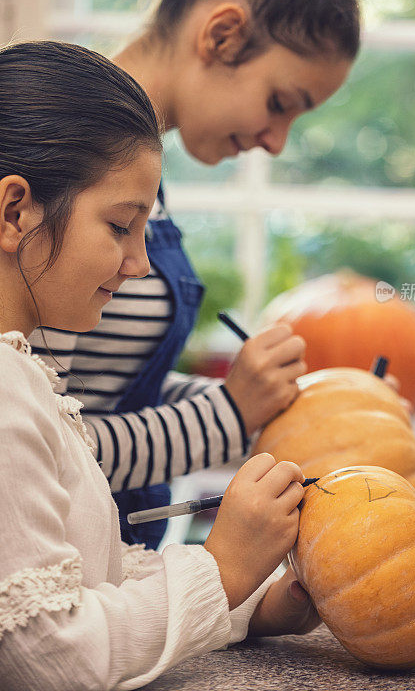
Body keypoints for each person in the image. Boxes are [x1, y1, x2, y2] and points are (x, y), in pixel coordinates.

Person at [30, 0, 406, 549]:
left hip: (125, 577)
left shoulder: (137, 183)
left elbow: (109, 391)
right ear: (221, 35)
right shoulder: (71, 164)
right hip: (67, 584)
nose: (276, 141)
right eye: (279, 102)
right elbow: (44, 446)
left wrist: (280, 403)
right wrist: (230, 413)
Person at [0, 39, 320, 691]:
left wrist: (241, 607)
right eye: (121, 226)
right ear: (14, 212)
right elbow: (48, 652)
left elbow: (93, 582)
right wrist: (223, 569)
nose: (139, 262)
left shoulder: (24, 377)